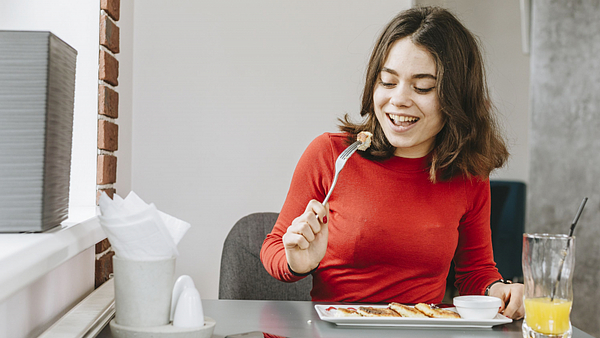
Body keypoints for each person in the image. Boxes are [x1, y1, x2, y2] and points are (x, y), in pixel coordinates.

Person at [260, 6, 524, 319]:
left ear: (457, 97)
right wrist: (295, 261)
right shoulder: (331, 154)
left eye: (423, 87)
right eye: (387, 82)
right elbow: (274, 246)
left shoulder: (468, 175)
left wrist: (500, 291)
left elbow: (475, 273)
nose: (398, 99)